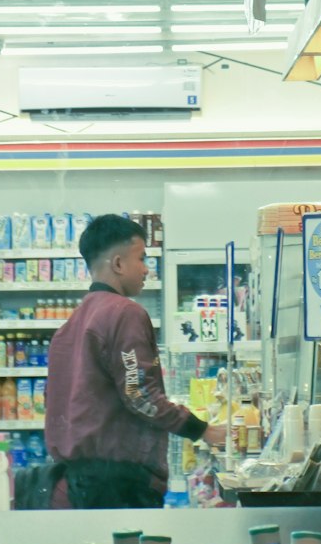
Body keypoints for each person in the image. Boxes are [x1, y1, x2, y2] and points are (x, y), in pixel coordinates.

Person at [44, 214, 227, 508]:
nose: (146, 270)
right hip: (118, 483)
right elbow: (140, 394)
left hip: (75, 479)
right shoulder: (124, 313)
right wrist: (202, 430)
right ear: (118, 264)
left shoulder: (69, 326)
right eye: (142, 258)